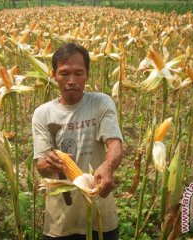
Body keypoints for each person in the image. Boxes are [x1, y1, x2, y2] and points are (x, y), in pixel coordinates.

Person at [32, 43, 123, 240]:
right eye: (64, 74)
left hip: (100, 214)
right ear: (53, 74)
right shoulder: (43, 114)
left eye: (79, 73)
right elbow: (40, 165)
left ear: (87, 74)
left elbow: (115, 143)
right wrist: (47, 164)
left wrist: (108, 166)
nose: (71, 80)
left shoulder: (101, 103)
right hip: (61, 220)